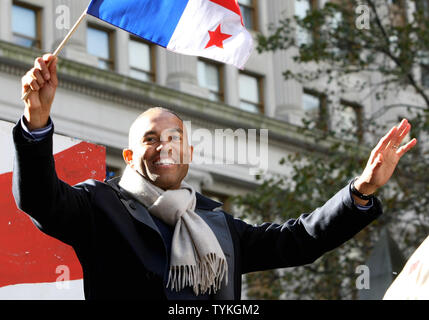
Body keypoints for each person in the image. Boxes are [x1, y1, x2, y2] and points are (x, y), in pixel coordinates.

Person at [12, 54, 417, 300]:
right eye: (151, 139)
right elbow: (41, 200)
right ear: (131, 156)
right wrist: (37, 121)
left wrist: (361, 189)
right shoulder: (100, 205)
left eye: (175, 138)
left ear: (189, 153)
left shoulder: (218, 223)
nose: (165, 145)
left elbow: (298, 242)